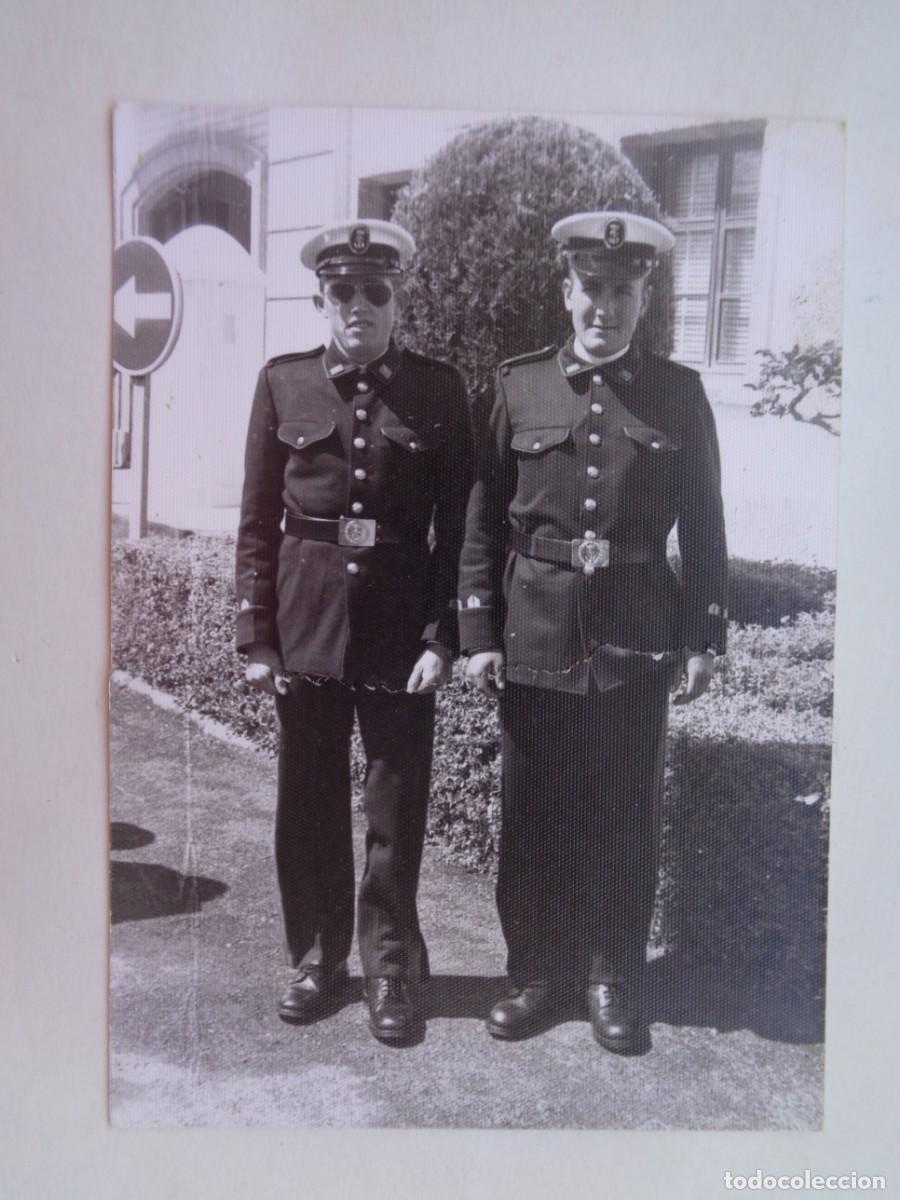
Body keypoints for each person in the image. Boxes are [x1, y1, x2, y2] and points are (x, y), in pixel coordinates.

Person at [459, 210, 728, 1053]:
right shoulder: (517, 386)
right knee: (535, 809)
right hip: (535, 629)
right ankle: (538, 972)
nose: (605, 306)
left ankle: (612, 974)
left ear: (643, 297)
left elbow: (705, 525)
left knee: (622, 814)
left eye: (623, 290)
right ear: (566, 291)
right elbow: (479, 519)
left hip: (634, 637)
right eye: (592, 289)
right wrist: (478, 631)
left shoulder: (678, 394)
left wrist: (701, 635)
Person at [235, 219, 472, 1044]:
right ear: (321, 298)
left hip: (400, 629)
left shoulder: (441, 392)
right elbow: (259, 519)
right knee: (307, 798)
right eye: (344, 291)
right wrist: (257, 635)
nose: (360, 306)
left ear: (399, 298)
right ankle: (316, 958)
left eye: (377, 291)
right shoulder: (284, 383)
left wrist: (443, 636)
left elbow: (460, 526)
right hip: (305, 625)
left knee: (395, 806)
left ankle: (389, 967)